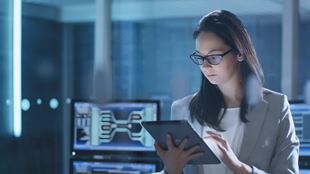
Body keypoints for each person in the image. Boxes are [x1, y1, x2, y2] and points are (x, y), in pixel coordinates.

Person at [154, 10, 299, 174]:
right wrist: (170, 171)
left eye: (214, 57)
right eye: (200, 57)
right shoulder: (182, 109)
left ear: (239, 53)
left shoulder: (276, 107)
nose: (205, 66)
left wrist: (239, 167)